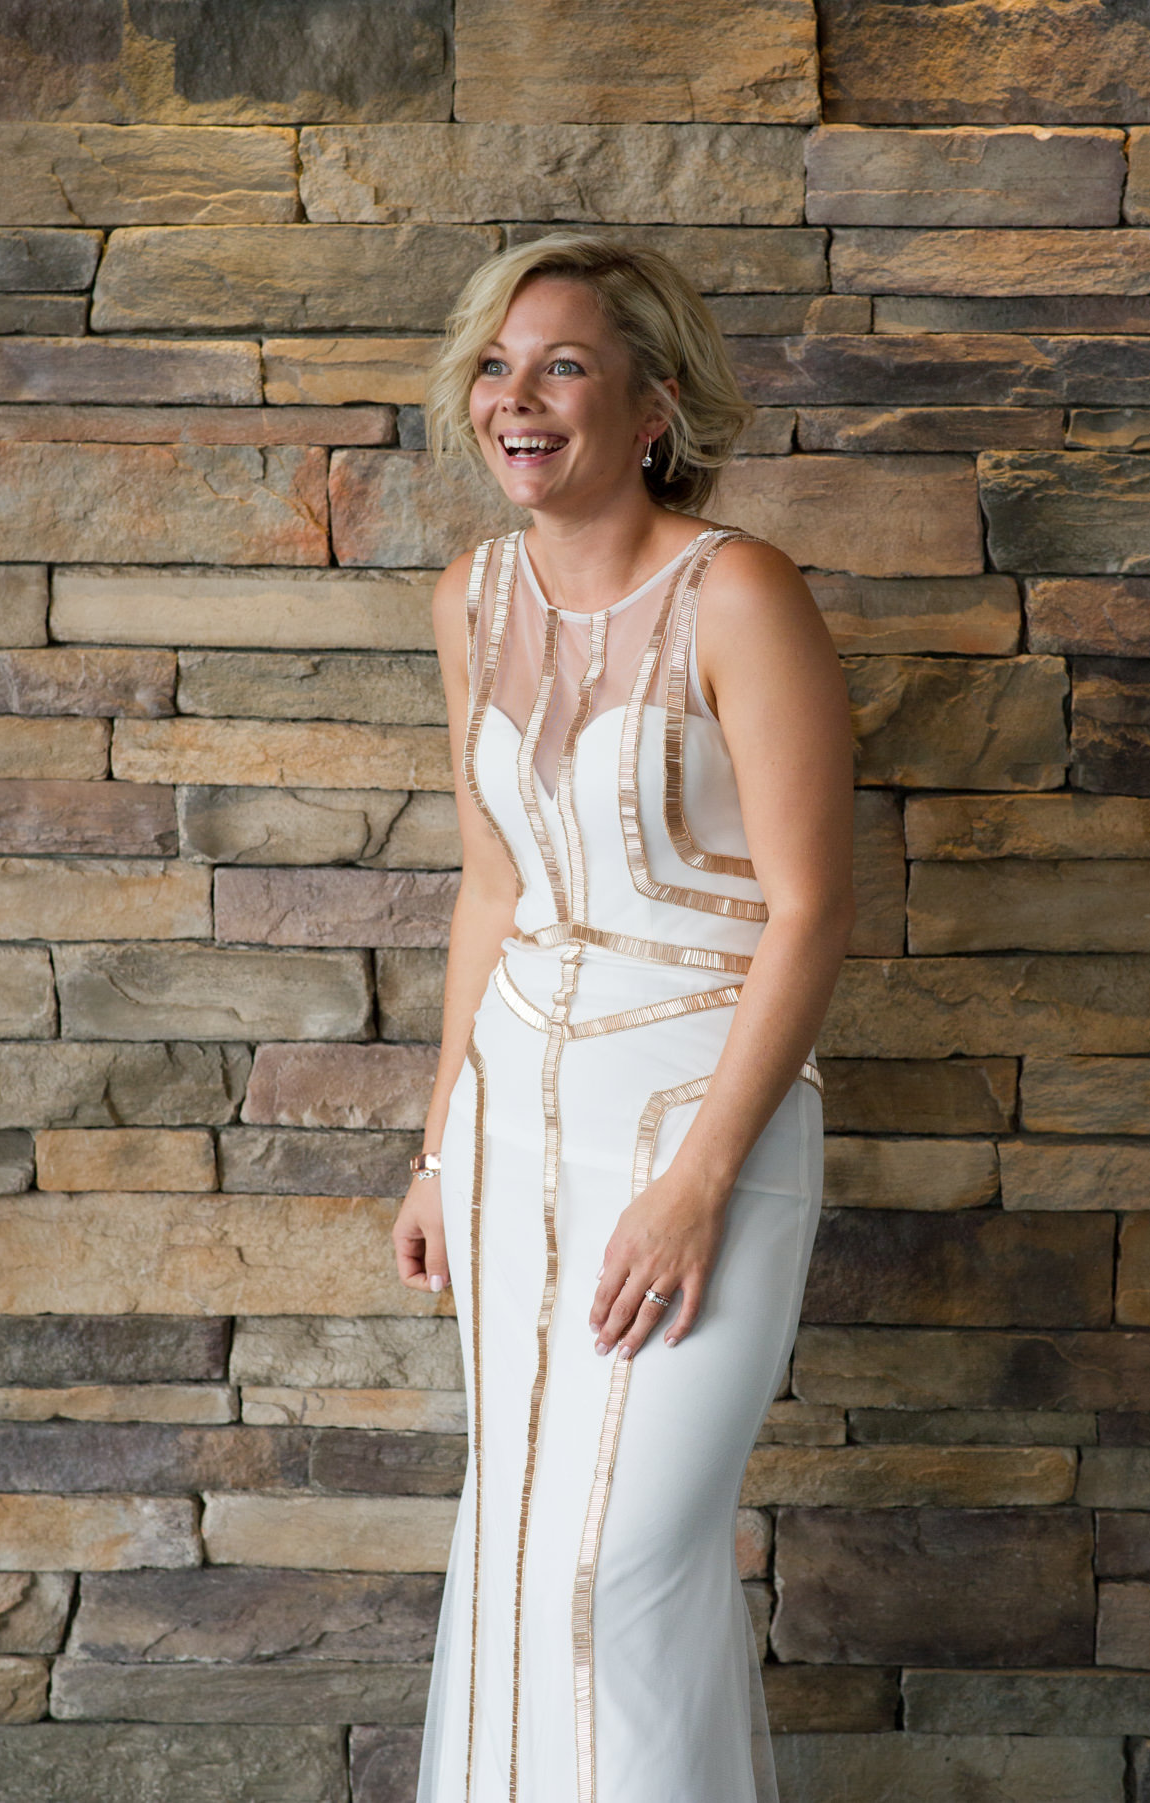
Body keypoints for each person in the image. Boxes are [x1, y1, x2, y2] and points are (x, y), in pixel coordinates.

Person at [391, 232, 856, 1803]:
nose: (514, 399)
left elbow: (810, 912)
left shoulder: (742, 594)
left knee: (626, 1565)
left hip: (694, 1130)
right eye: (494, 365)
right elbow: (488, 892)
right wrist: (438, 1148)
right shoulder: (468, 599)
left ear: (653, 406)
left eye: (562, 364)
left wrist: (700, 1182)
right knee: (522, 1551)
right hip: (514, 1128)